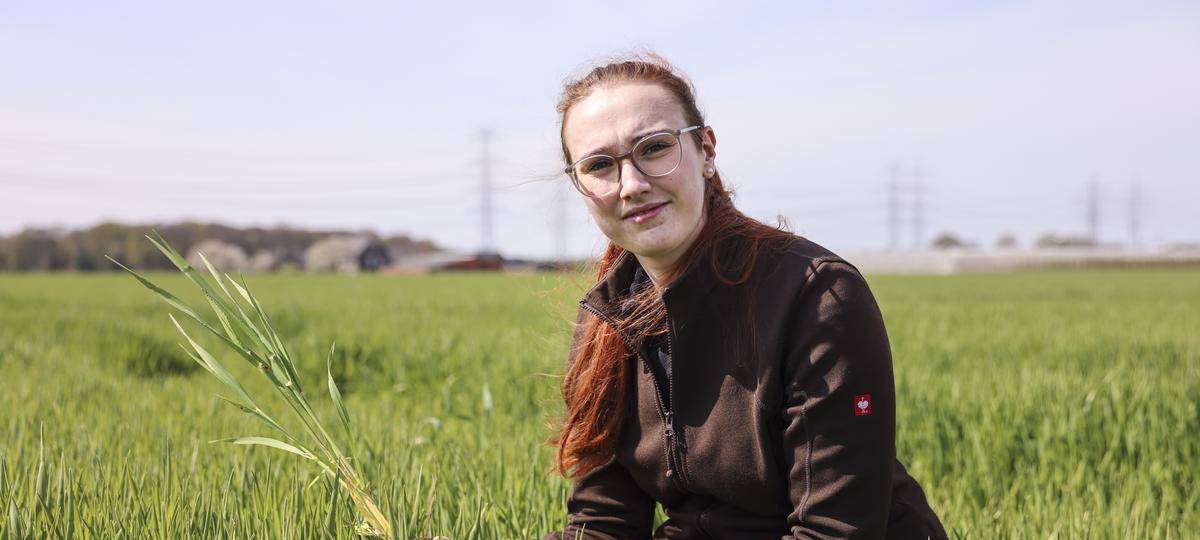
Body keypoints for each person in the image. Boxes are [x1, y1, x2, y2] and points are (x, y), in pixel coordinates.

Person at [543, 52, 948, 540]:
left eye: (653, 148)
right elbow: (601, 524)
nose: (631, 185)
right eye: (600, 165)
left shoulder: (816, 296)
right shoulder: (607, 319)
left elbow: (834, 531)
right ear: (580, 186)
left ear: (706, 151)